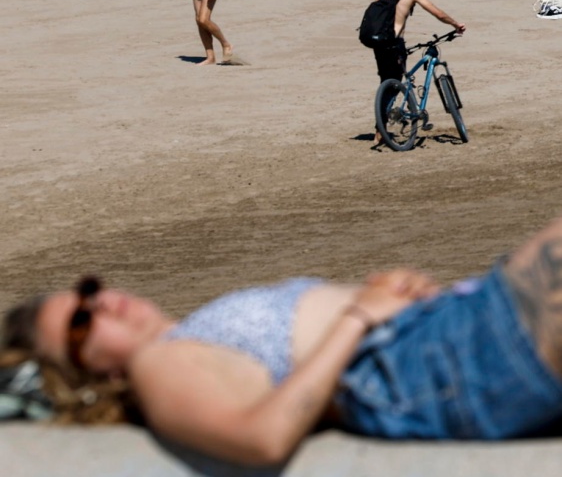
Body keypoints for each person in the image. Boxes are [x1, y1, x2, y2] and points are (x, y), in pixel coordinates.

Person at [10, 212, 562, 467]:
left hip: (447, 340)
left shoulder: (188, 338)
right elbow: (263, 439)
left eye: (88, 293)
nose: (102, 303)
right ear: (92, 375)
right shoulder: (158, 367)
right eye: (82, 325)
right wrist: (357, 319)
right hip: (436, 367)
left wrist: (389, 296)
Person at [370, 0, 465, 113]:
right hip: (394, 42)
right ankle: (381, 129)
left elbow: (373, 13)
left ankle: (391, 117)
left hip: (378, 41)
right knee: (394, 83)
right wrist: (456, 24)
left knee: (385, 79)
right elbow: (438, 14)